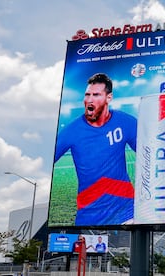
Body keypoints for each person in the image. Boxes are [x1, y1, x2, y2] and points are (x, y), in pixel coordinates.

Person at [54, 73, 137, 226]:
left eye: (96, 94)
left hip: (127, 211)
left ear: (108, 98)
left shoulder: (125, 122)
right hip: (89, 216)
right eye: (87, 95)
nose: (89, 100)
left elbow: (151, 152)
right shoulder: (71, 131)